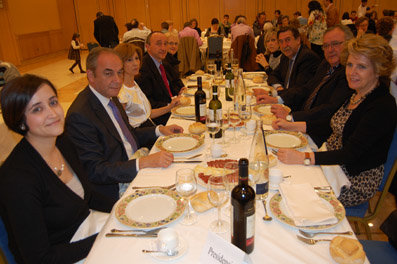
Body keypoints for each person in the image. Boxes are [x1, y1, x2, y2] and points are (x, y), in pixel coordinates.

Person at [0, 74, 116, 263]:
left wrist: (123, 209)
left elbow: (89, 196)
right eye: (38, 109)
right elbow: (39, 258)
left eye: (53, 102)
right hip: (63, 254)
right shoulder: (17, 179)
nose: (53, 114)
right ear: (20, 122)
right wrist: (106, 237)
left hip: (86, 230)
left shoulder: (62, 142)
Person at [272, 34, 397, 207]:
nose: (352, 72)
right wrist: (291, 125)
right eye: (350, 65)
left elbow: (350, 154)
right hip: (331, 161)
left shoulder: (382, 106)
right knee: (280, 171)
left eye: (361, 67)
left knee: (288, 192)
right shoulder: (358, 93)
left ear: (378, 70)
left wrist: (304, 158)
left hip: (352, 179)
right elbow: (333, 123)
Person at [65, 47, 183, 200]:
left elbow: (127, 135)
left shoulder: (110, 96)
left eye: (119, 72)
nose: (117, 80)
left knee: (182, 173)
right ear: (91, 75)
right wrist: (141, 163)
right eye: (108, 73)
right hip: (116, 188)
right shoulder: (80, 115)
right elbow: (95, 170)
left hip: (134, 165)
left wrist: (159, 130)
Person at [259, 25, 354, 123]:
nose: (330, 50)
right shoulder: (326, 64)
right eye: (326, 45)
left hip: (313, 123)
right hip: (303, 116)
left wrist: (291, 117)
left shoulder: (349, 74)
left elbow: (329, 109)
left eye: (335, 44)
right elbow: (307, 88)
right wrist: (275, 96)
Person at [114, 43, 180, 129]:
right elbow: (123, 128)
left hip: (150, 127)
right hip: (141, 136)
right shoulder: (121, 92)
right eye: (129, 60)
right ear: (120, 63)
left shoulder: (134, 84)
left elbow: (147, 114)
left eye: (137, 58)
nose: (135, 63)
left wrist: (170, 106)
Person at [136, 32, 186, 125]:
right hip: (160, 118)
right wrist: (170, 104)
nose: (163, 48)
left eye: (165, 44)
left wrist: (180, 91)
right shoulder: (143, 69)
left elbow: (176, 81)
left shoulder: (163, 63)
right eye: (158, 44)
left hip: (173, 108)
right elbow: (148, 103)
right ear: (147, 46)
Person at [266, 26, 320, 96]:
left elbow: (299, 91)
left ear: (298, 40)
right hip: (286, 97)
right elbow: (273, 75)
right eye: (281, 41)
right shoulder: (285, 56)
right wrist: (278, 87)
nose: (284, 45)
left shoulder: (307, 57)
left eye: (288, 40)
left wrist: (277, 94)